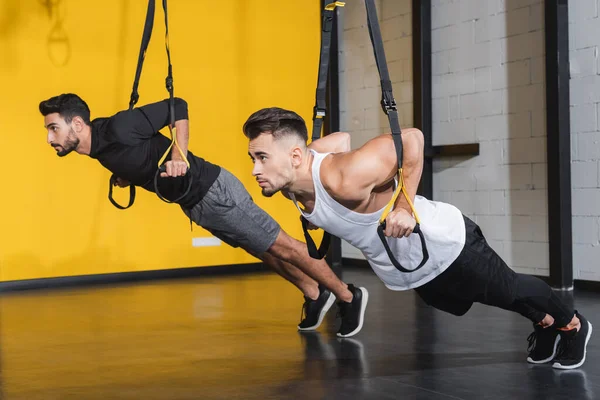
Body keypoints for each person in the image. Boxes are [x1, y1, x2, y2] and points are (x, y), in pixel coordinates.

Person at [242, 106, 593, 370]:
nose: (255, 169)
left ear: (295, 155)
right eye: (252, 158)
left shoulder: (344, 178)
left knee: (510, 288)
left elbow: (411, 138)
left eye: (262, 157)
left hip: (444, 242)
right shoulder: (292, 178)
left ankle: (573, 325)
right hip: (409, 263)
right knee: (484, 297)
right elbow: (341, 140)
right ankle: (545, 322)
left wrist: (405, 208)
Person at [38, 93, 369, 337]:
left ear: (77, 124)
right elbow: (142, 156)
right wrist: (128, 176)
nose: (50, 138)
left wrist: (179, 153)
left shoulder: (119, 126)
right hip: (197, 204)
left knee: (284, 247)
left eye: (54, 128)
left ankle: (348, 295)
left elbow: (177, 106)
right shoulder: (102, 148)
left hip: (213, 190)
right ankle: (314, 292)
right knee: (262, 250)